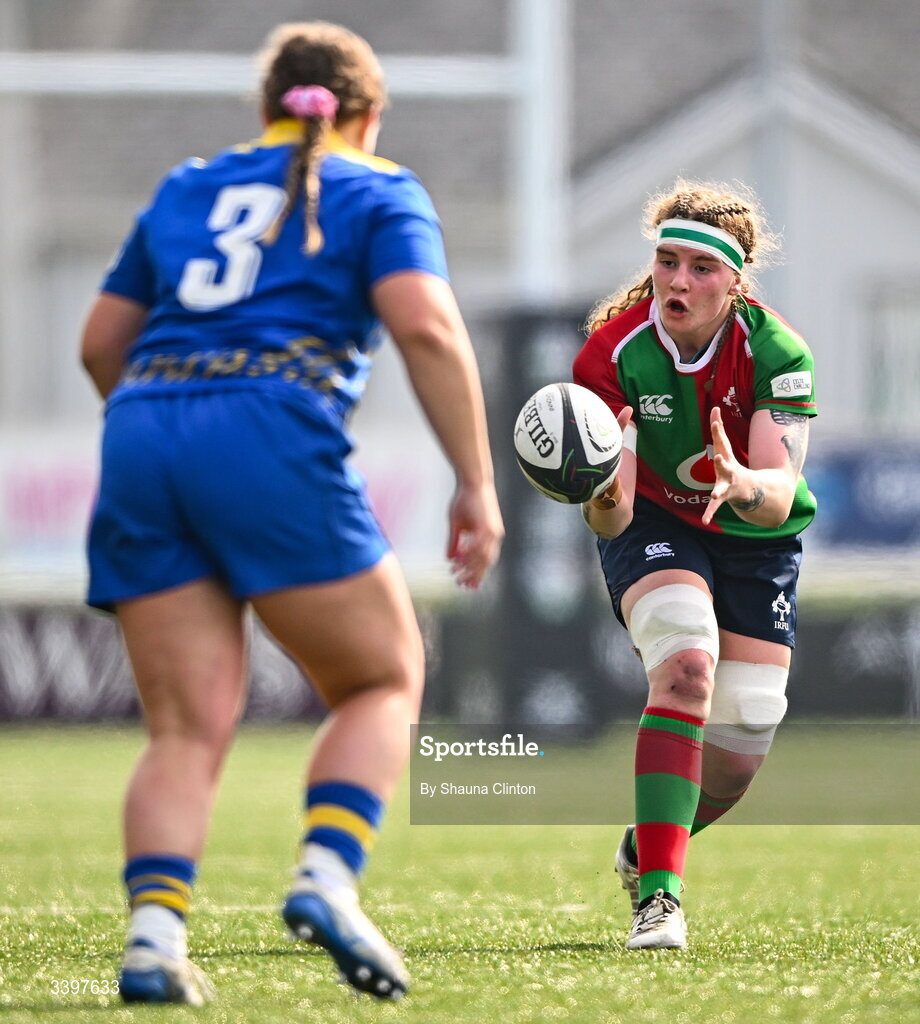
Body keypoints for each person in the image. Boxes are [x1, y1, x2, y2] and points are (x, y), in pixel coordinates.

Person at [80, 21, 503, 1005]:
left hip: (145, 425)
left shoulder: (187, 185)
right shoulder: (377, 186)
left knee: (184, 730)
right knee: (381, 679)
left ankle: (152, 940)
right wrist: (474, 481)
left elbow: (102, 342)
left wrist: (168, 433)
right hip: (268, 422)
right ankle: (324, 874)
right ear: (367, 112)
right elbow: (426, 327)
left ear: (267, 106)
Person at [572, 179, 816, 950]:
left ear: (735, 280)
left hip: (753, 538)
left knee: (740, 750)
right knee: (684, 668)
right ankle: (661, 899)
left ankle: (647, 845)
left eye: (701, 269)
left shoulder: (777, 350)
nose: (678, 281)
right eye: (667, 262)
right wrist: (602, 490)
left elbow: (778, 497)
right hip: (653, 523)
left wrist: (741, 481)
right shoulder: (611, 352)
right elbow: (607, 514)